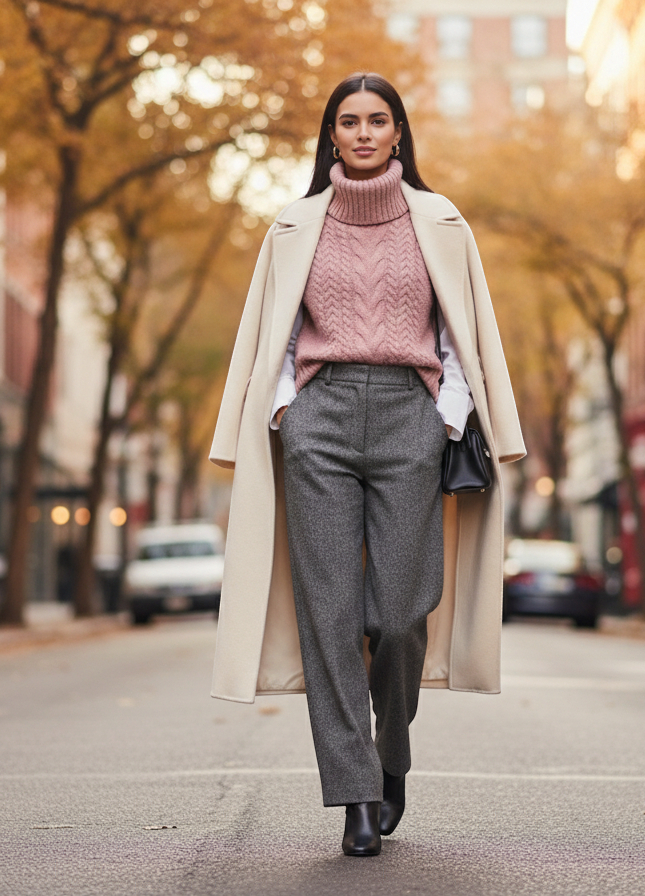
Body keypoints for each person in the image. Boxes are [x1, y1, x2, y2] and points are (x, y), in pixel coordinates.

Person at [208, 72, 525, 857]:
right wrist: (285, 410)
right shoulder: (292, 226)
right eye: (347, 121)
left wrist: (444, 419)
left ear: (397, 134)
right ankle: (354, 794)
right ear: (331, 136)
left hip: (412, 419)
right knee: (332, 616)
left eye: (376, 120)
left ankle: (392, 757)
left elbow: (461, 335)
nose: (361, 133)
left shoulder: (442, 223)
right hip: (317, 420)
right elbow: (275, 336)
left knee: (401, 613)